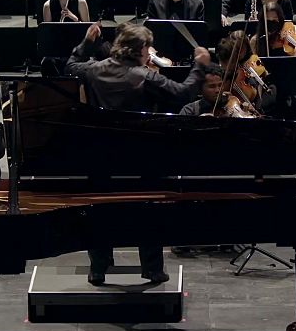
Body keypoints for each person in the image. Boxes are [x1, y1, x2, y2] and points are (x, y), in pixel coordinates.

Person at [66, 21, 209, 285]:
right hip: (141, 158)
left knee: (100, 212)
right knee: (148, 211)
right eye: (147, 48)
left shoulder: (95, 70)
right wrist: (199, 65)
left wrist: (87, 43)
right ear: (139, 49)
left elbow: (70, 66)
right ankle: (152, 268)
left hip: (101, 157)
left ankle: (98, 268)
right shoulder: (144, 76)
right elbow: (183, 93)